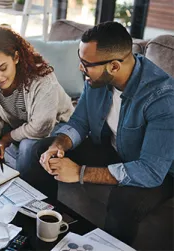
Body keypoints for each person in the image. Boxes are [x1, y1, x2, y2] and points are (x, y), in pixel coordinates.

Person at [20, 21, 174, 244]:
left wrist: (80, 172)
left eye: (86, 63)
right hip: (114, 149)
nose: (80, 68)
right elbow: (80, 122)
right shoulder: (98, 80)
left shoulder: (162, 99)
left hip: (157, 171)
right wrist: (59, 144)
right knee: (40, 150)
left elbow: (150, 171)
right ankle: (41, 233)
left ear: (113, 66)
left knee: (125, 201)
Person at [0, 27, 74, 171]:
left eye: (3, 68)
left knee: (28, 147)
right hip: (22, 120)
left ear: (15, 57)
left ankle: (26, 189)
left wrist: (6, 139)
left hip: (55, 125)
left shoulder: (42, 80)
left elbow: (40, 127)